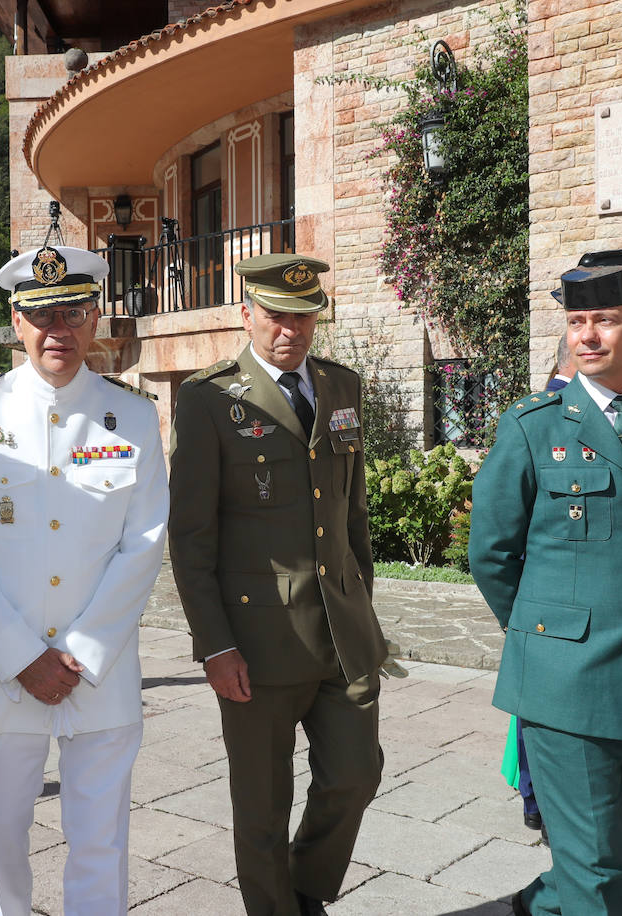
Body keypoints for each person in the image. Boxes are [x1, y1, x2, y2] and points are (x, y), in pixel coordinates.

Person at [469, 248, 622, 916]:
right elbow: (491, 554)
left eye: (604, 320)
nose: (586, 335)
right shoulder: (531, 428)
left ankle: (540, 904)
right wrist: (545, 634)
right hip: (565, 681)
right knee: (598, 870)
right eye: (578, 321)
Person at [0, 244, 168, 915]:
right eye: (41, 314)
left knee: (101, 845)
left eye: (73, 311)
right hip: (2, 674)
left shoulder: (135, 416)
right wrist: (23, 657)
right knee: (0, 841)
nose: (57, 327)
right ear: (16, 319)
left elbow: (144, 542)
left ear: (96, 319)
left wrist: (81, 654)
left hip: (101, 673)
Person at [168, 253, 388, 916]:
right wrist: (214, 645)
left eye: (302, 315)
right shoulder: (209, 400)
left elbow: (353, 514)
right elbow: (191, 538)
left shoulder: (342, 387)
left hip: (341, 631)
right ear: (247, 315)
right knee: (262, 803)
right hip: (257, 640)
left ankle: (304, 887)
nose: (289, 329)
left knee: (356, 774)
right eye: (275, 316)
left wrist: (364, 611)